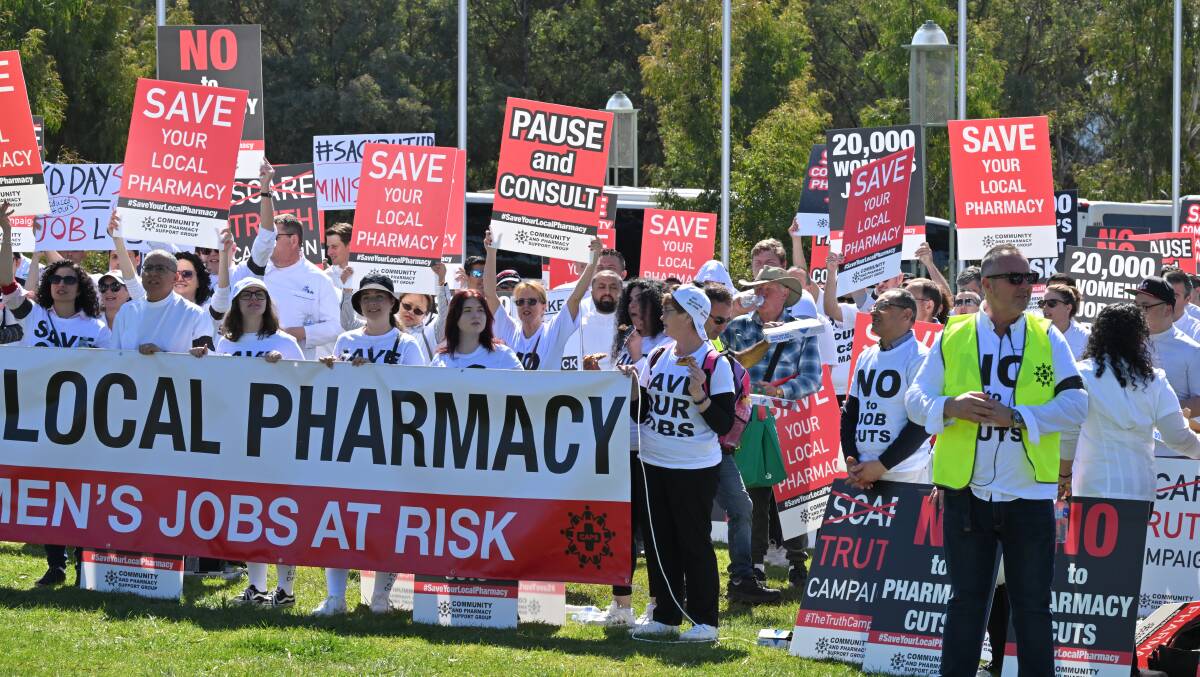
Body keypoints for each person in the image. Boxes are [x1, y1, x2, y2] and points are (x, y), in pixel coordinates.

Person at [906, 244, 1087, 677]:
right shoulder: (955, 332)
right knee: (966, 604)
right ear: (986, 284)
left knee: (1033, 609)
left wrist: (1020, 417)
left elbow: (1077, 403)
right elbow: (915, 400)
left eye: (1029, 278)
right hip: (967, 494)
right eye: (1015, 279)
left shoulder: (1049, 334)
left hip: (1028, 493)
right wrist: (950, 406)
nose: (1027, 287)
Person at [0, 201, 109, 586]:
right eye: (56, 279)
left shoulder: (97, 329)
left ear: (82, 287)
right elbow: (7, 286)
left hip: (82, 423)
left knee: (81, 493)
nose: (62, 284)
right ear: (48, 285)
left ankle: (85, 565)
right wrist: (8, 233)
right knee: (49, 492)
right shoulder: (35, 317)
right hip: (38, 419)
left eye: (70, 280)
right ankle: (55, 564)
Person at [623, 286, 733, 641]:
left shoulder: (716, 362)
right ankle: (666, 614)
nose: (663, 317)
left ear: (687, 316)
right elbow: (643, 415)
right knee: (660, 542)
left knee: (694, 542)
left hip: (694, 467)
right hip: (654, 461)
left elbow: (724, 424)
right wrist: (635, 389)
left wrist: (700, 397)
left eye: (669, 310)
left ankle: (705, 622)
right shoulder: (657, 356)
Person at [310, 274, 424, 616]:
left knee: (387, 520)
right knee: (339, 519)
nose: (372, 302)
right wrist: (328, 369)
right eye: (366, 297)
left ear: (392, 303)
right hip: (347, 444)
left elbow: (417, 391)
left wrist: (373, 372)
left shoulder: (407, 345)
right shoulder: (345, 340)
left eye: (380, 296)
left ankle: (380, 597)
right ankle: (335, 598)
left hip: (391, 445)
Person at [189, 276, 304, 607]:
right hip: (238, 441)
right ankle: (257, 587)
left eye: (260, 294)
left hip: (277, 442)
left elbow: (306, 383)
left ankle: (286, 590)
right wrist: (202, 360)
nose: (254, 299)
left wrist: (285, 367)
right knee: (249, 514)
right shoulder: (226, 343)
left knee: (281, 515)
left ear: (268, 303)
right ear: (236, 304)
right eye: (246, 295)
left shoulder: (284, 342)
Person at [722, 266, 823, 589]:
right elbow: (710, 356)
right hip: (748, 419)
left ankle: (797, 563)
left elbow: (812, 379)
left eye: (766, 288)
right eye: (757, 287)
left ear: (784, 293)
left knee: (791, 496)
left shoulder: (803, 330)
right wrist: (730, 311)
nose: (759, 292)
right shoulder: (736, 326)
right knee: (755, 493)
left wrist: (780, 391)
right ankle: (755, 563)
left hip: (789, 420)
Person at [586, 278, 671, 626]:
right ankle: (620, 606)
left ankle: (656, 604)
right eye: (629, 300)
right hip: (619, 444)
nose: (633, 306)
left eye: (640, 300)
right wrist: (596, 375)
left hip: (650, 448)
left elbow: (654, 394)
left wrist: (638, 356)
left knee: (652, 532)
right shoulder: (624, 341)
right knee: (619, 529)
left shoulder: (667, 343)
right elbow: (618, 387)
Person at [1063, 303, 1200, 503]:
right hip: (1139, 491)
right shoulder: (1156, 380)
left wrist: (1063, 474)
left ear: (1097, 335)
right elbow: (1177, 438)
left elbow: (1067, 433)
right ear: (1140, 338)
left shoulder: (1080, 374)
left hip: (1092, 487)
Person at [233, 163, 341, 359]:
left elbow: (334, 326)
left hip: (296, 366)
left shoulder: (318, 279)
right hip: (254, 360)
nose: (269, 243)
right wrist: (264, 187)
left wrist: (294, 333)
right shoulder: (258, 273)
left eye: (276, 238)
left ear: (293, 240)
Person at [842, 289, 933, 488]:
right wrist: (851, 459)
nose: (873, 312)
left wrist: (882, 465)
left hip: (905, 472)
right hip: (862, 471)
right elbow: (850, 413)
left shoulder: (922, 358)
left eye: (882, 306)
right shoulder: (865, 356)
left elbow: (922, 423)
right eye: (874, 306)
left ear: (907, 314)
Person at [483, 230, 601, 370]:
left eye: (532, 302)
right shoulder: (510, 330)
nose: (525, 306)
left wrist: (594, 258)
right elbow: (490, 294)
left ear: (544, 306)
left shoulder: (553, 331)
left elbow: (575, 298)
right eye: (520, 302)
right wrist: (491, 252)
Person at [1128, 276, 1200, 416]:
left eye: (1145, 306)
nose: (1137, 312)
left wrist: (1156, 410)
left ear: (1167, 310)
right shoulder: (1125, 342)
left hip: (1169, 434)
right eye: (1135, 305)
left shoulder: (1191, 350)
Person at [429, 289, 523, 369]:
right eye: (468, 310)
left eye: (480, 310)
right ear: (455, 318)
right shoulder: (440, 360)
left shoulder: (503, 355)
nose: (476, 315)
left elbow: (525, 388)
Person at [562, 269, 623, 370]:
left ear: (621, 292)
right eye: (601, 287)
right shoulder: (579, 327)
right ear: (592, 292)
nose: (607, 292)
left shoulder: (631, 327)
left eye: (613, 287)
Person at [323, 222, 358, 331]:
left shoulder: (369, 275)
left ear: (350, 245)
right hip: (332, 347)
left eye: (334, 247)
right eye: (328, 247)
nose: (329, 252)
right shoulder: (324, 278)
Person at [1039, 283, 1089, 359]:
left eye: (1052, 303)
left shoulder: (1085, 337)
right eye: (1043, 303)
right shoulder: (1034, 332)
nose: (1045, 307)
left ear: (1068, 308)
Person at [1163, 268, 1200, 342]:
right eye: (1164, 293)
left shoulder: (1197, 332)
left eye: (1175, 295)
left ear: (1187, 299)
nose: (1168, 298)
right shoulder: (1148, 325)